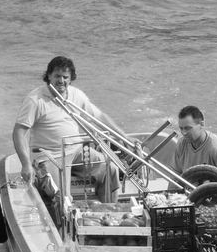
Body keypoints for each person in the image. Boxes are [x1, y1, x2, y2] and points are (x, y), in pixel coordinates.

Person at [12, 56, 129, 202]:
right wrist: (25, 164)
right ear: (48, 76)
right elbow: (19, 132)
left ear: (71, 78)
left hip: (76, 151)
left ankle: (108, 211)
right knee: (62, 198)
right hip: (50, 156)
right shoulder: (35, 100)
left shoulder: (76, 95)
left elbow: (99, 117)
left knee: (110, 169)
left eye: (65, 77)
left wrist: (125, 137)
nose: (61, 81)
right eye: (57, 76)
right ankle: (60, 219)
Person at [172, 105, 217, 185]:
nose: (183, 133)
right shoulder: (181, 144)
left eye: (188, 128)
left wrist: (209, 182)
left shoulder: (216, 148)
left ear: (202, 124)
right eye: (181, 128)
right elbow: (175, 176)